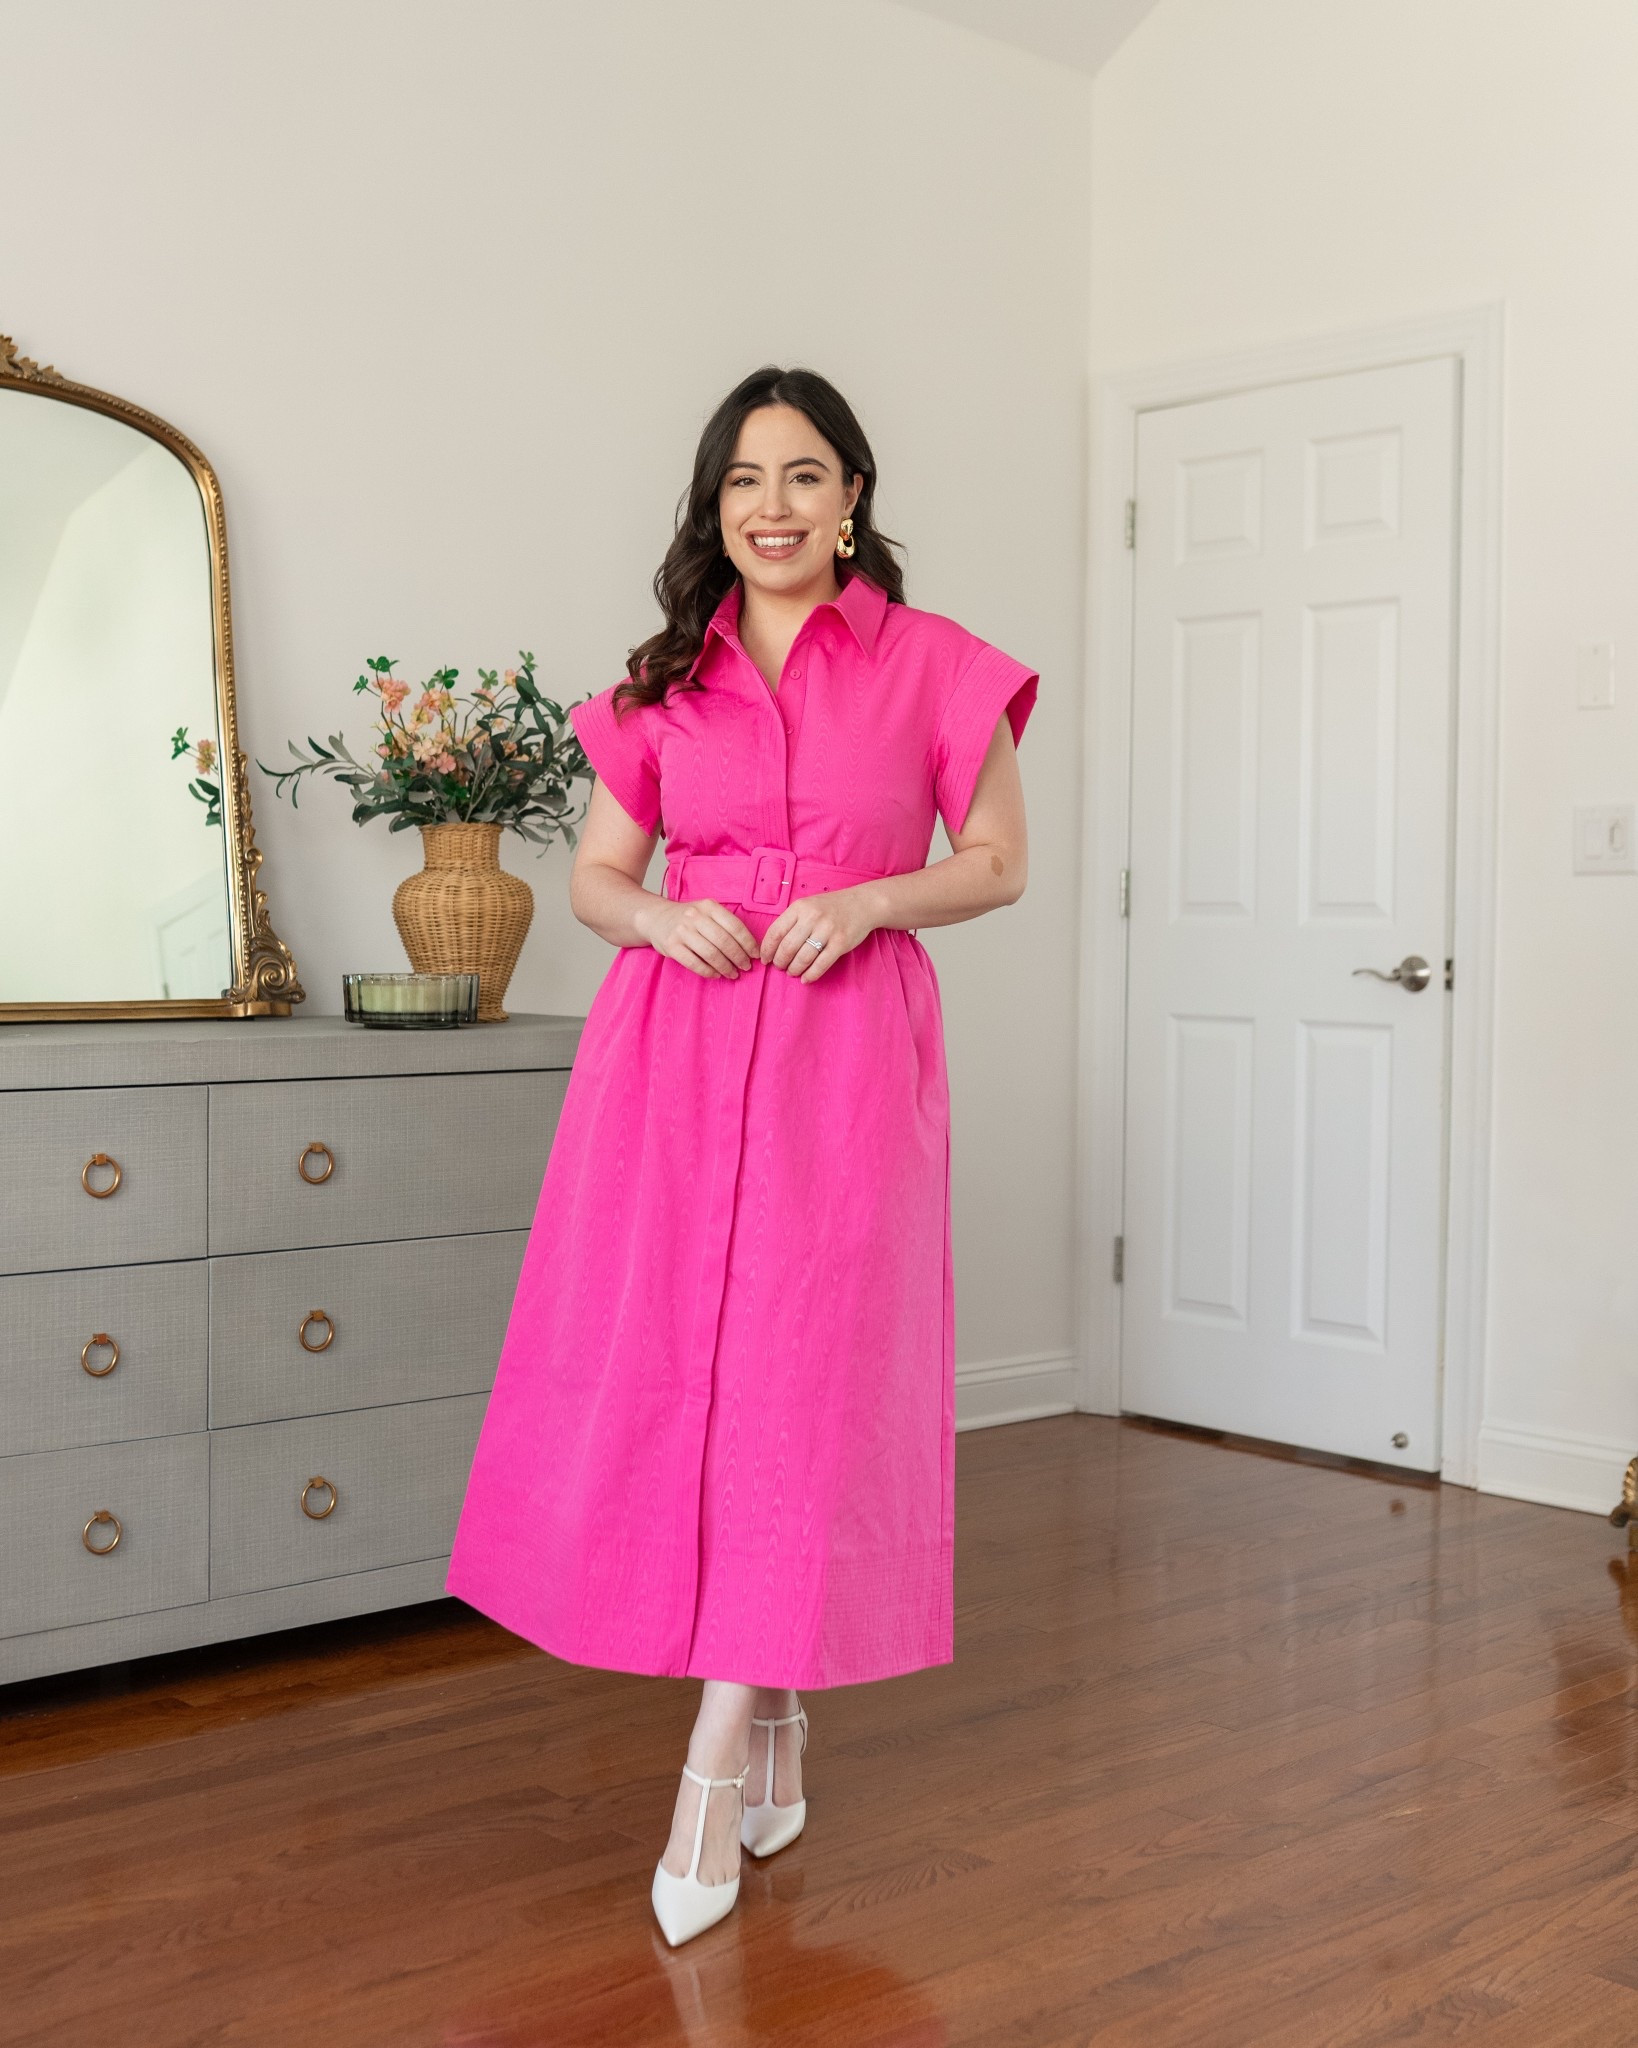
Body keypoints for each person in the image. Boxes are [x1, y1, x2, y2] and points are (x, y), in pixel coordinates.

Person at [446, 364, 1037, 1946]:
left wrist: (867, 901)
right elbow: (594, 876)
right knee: (676, 1380)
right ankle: (770, 1717)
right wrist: (656, 913)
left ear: (854, 496)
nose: (770, 509)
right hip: (675, 1049)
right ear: (713, 511)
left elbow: (997, 864)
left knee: (803, 1383)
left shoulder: (935, 669)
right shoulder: (660, 684)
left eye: (801, 477)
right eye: (740, 485)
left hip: (843, 1051)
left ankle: (715, 1763)